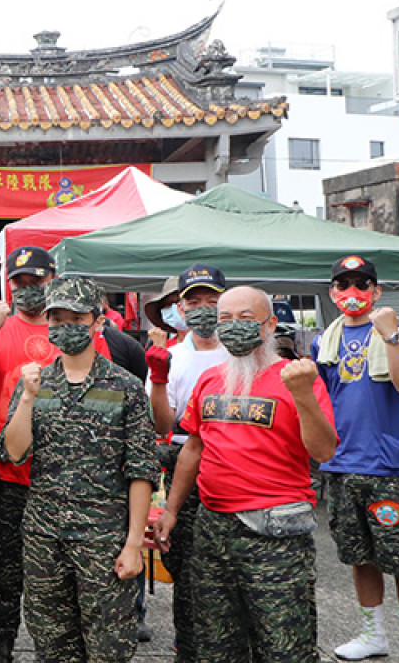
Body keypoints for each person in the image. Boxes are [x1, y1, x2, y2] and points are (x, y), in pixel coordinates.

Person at [154, 286, 337, 663]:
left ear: (269, 324)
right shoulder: (211, 380)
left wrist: (302, 394)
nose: (233, 327)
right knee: (215, 643)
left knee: (284, 645)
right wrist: (171, 510)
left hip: (275, 536)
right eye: (225, 319)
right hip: (212, 530)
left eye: (245, 318)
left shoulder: (297, 378)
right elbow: (193, 448)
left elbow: (323, 451)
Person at [2, 276, 158, 662]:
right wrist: (27, 398)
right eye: (57, 319)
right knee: (52, 644)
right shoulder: (36, 380)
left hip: (103, 540)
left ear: (97, 321)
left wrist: (134, 543)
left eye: (76, 317)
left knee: (108, 646)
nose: (66, 326)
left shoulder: (125, 386)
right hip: (44, 538)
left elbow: (141, 469)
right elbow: (15, 451)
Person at [0, 246, 110, 662]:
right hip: (9, 471)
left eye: (36, 281)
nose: (27, 290)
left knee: (54, 576)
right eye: (19, 282)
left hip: (62, 477)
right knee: (0, 568)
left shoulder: (79, 334)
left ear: (52, 279)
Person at [312, 255, 399, 662]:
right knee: (358, 557)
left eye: (362, 285)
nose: (353, 293)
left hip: (391, 468)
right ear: (332, 293)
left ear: (376, 291)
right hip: (343, 465)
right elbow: (322, 401)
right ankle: (374, 635)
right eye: (344, 285)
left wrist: (391, 337)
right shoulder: (323, 341)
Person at [144, 264, 229, 662]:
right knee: (184, 563)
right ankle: (187, 644)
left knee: (228, 562)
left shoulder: (240, 352)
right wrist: (158, 378)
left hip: (231, 458)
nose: (203, 309)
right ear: (180, 308)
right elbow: (162, 423)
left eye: (212, 302)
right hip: (182, 459)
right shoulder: (172, 357)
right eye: (194, 302)